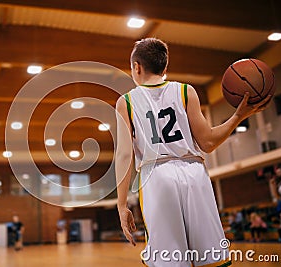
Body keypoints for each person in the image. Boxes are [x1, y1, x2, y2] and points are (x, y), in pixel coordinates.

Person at [115, 38, 271, 266]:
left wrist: (121, 205)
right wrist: (238, 116)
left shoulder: (126, 102)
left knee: (170, 259)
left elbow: (124, 156)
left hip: (157, 175)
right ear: (164, 67)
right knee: (210, 259)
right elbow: (207, 142)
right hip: (195, 173)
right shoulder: (186, 91)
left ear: (136, 67)